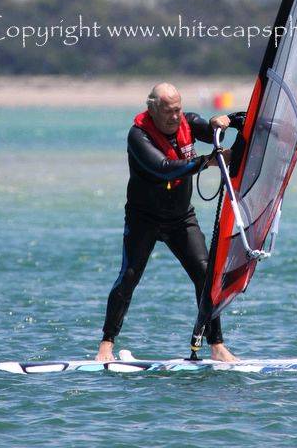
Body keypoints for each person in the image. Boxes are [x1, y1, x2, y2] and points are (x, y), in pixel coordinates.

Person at [95, 82, 237, 362]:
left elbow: (217, 131)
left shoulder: (188, 122)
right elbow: (164, 170)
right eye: (168, 111)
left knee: (206, 274)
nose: (175, 117)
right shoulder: (138, 136)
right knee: (129, 277)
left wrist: (227, 120)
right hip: (143, 218)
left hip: (180, 218)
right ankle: (106, 346)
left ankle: (217, 346)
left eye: (178, 110)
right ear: (152, 110)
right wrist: (211, 161)